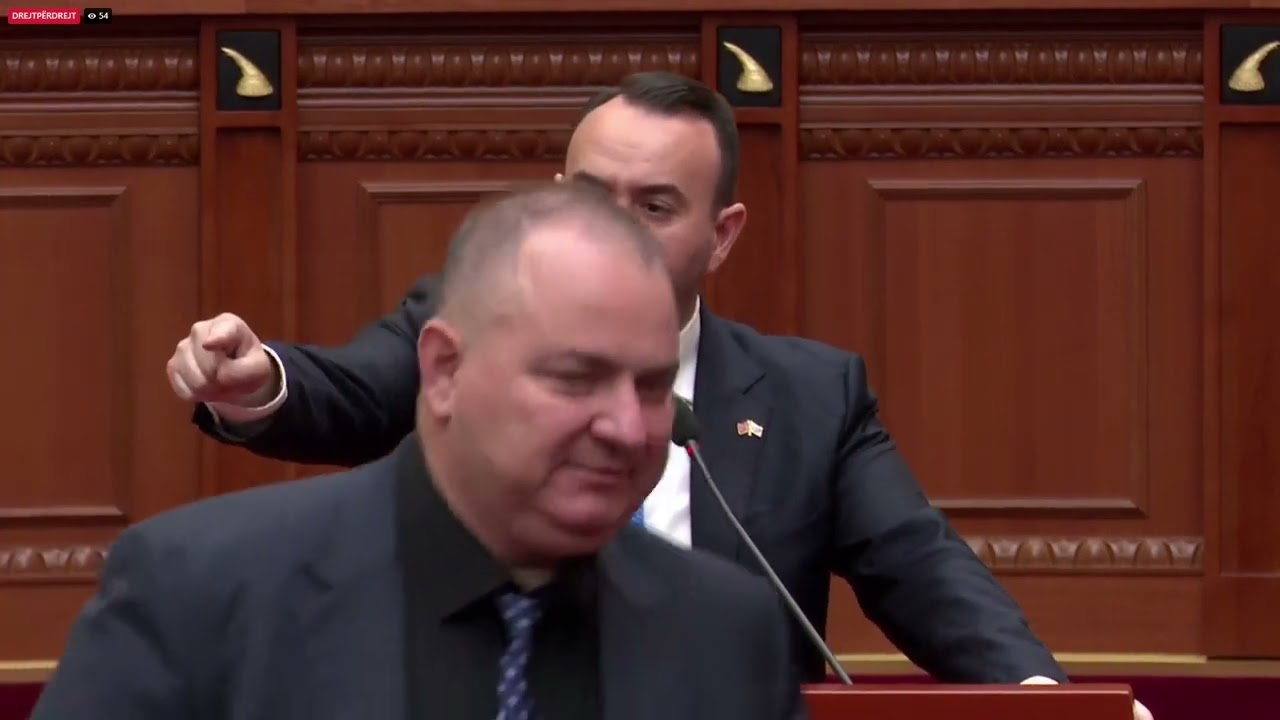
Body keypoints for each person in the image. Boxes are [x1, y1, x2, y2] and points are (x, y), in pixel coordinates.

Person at [166, 71, 1152, 719]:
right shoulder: (461, 328)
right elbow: (355, 388)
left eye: (655, 206)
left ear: (721, 236)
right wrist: (262, 381)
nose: (613, 229)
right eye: (591, 197)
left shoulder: (810, 395)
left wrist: (1039, 697)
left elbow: (919, 566)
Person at [35, 183, 805, 720]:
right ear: (443, 371)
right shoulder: (201, 594)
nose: (629, 429)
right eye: (576, 378)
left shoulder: (727, 631)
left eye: (653, 387)